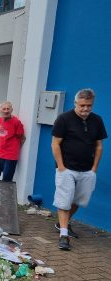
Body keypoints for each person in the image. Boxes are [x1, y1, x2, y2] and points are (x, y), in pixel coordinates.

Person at [51, 88, 107, 250]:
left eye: (89, 106)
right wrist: (61, 167)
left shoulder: (97, 120)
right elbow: (55, 143)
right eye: (82, 105)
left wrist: (94, 168)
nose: (85, 109)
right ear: (75, 103)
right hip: (66, 168)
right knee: (64, 201)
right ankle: (63, 235)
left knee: (79, 201)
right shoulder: (64, 119)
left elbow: (99, 146)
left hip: (87, 170)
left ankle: (62, 224)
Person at [0, 101, 26, 181]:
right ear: (0, 110)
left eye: (8, 109)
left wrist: (15, 149)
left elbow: (22, 138)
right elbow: (1, 135)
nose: (6, 111)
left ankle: (4, 194)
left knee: (6, 180)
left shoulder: (16, 122)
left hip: (10, 156)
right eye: (4, 109)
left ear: (11, 110)